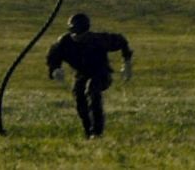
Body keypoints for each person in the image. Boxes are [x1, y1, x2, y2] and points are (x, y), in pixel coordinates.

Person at [46, 11, 134, 139]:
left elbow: (121, 41)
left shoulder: (98, 40)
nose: (79, 38)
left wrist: (127, 63)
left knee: (92, 90)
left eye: (82, 35)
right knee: (79, 97)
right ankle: (88, 132)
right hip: (81, 74)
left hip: (101, 73)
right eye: (75, 34)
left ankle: (97, 132)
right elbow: (53, 56)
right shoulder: (64, 42)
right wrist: (55, 69)